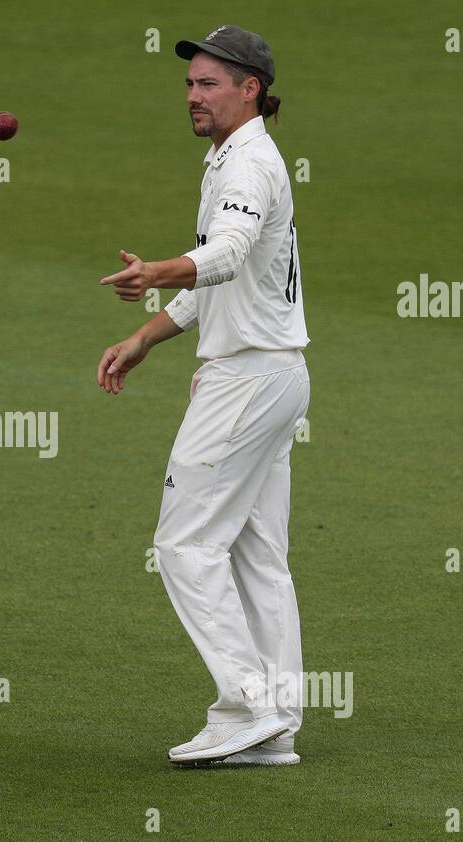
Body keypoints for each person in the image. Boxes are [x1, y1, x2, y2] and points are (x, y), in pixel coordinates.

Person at [97, 25, 310, 767]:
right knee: (255, 552)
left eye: (209, 82)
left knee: (184, 543)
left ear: (251, 89)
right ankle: (270, 721)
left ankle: (248, 704)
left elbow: (226, 256)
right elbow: (228, 280)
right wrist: (148, 335)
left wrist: (157, 268)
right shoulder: (232, 159)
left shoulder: (248, 167)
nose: (192, 94)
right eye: (190, 83)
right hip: (276, 373)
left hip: (246, 382)